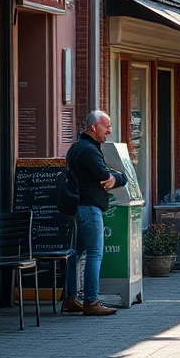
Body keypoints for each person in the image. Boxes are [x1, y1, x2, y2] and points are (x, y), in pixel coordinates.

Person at [64, 110, 127, 316]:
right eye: (106, 126)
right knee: (94, 254)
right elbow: (104, 175)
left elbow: (108, 176)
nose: (109, 131)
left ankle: (71, 298)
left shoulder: (77, 147)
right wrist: (119, 177)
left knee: (76, 253)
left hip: (78, 206)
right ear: (94, 127)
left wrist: (113, 177)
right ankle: (91, 301)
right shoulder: (90, 150)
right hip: (89, 207)